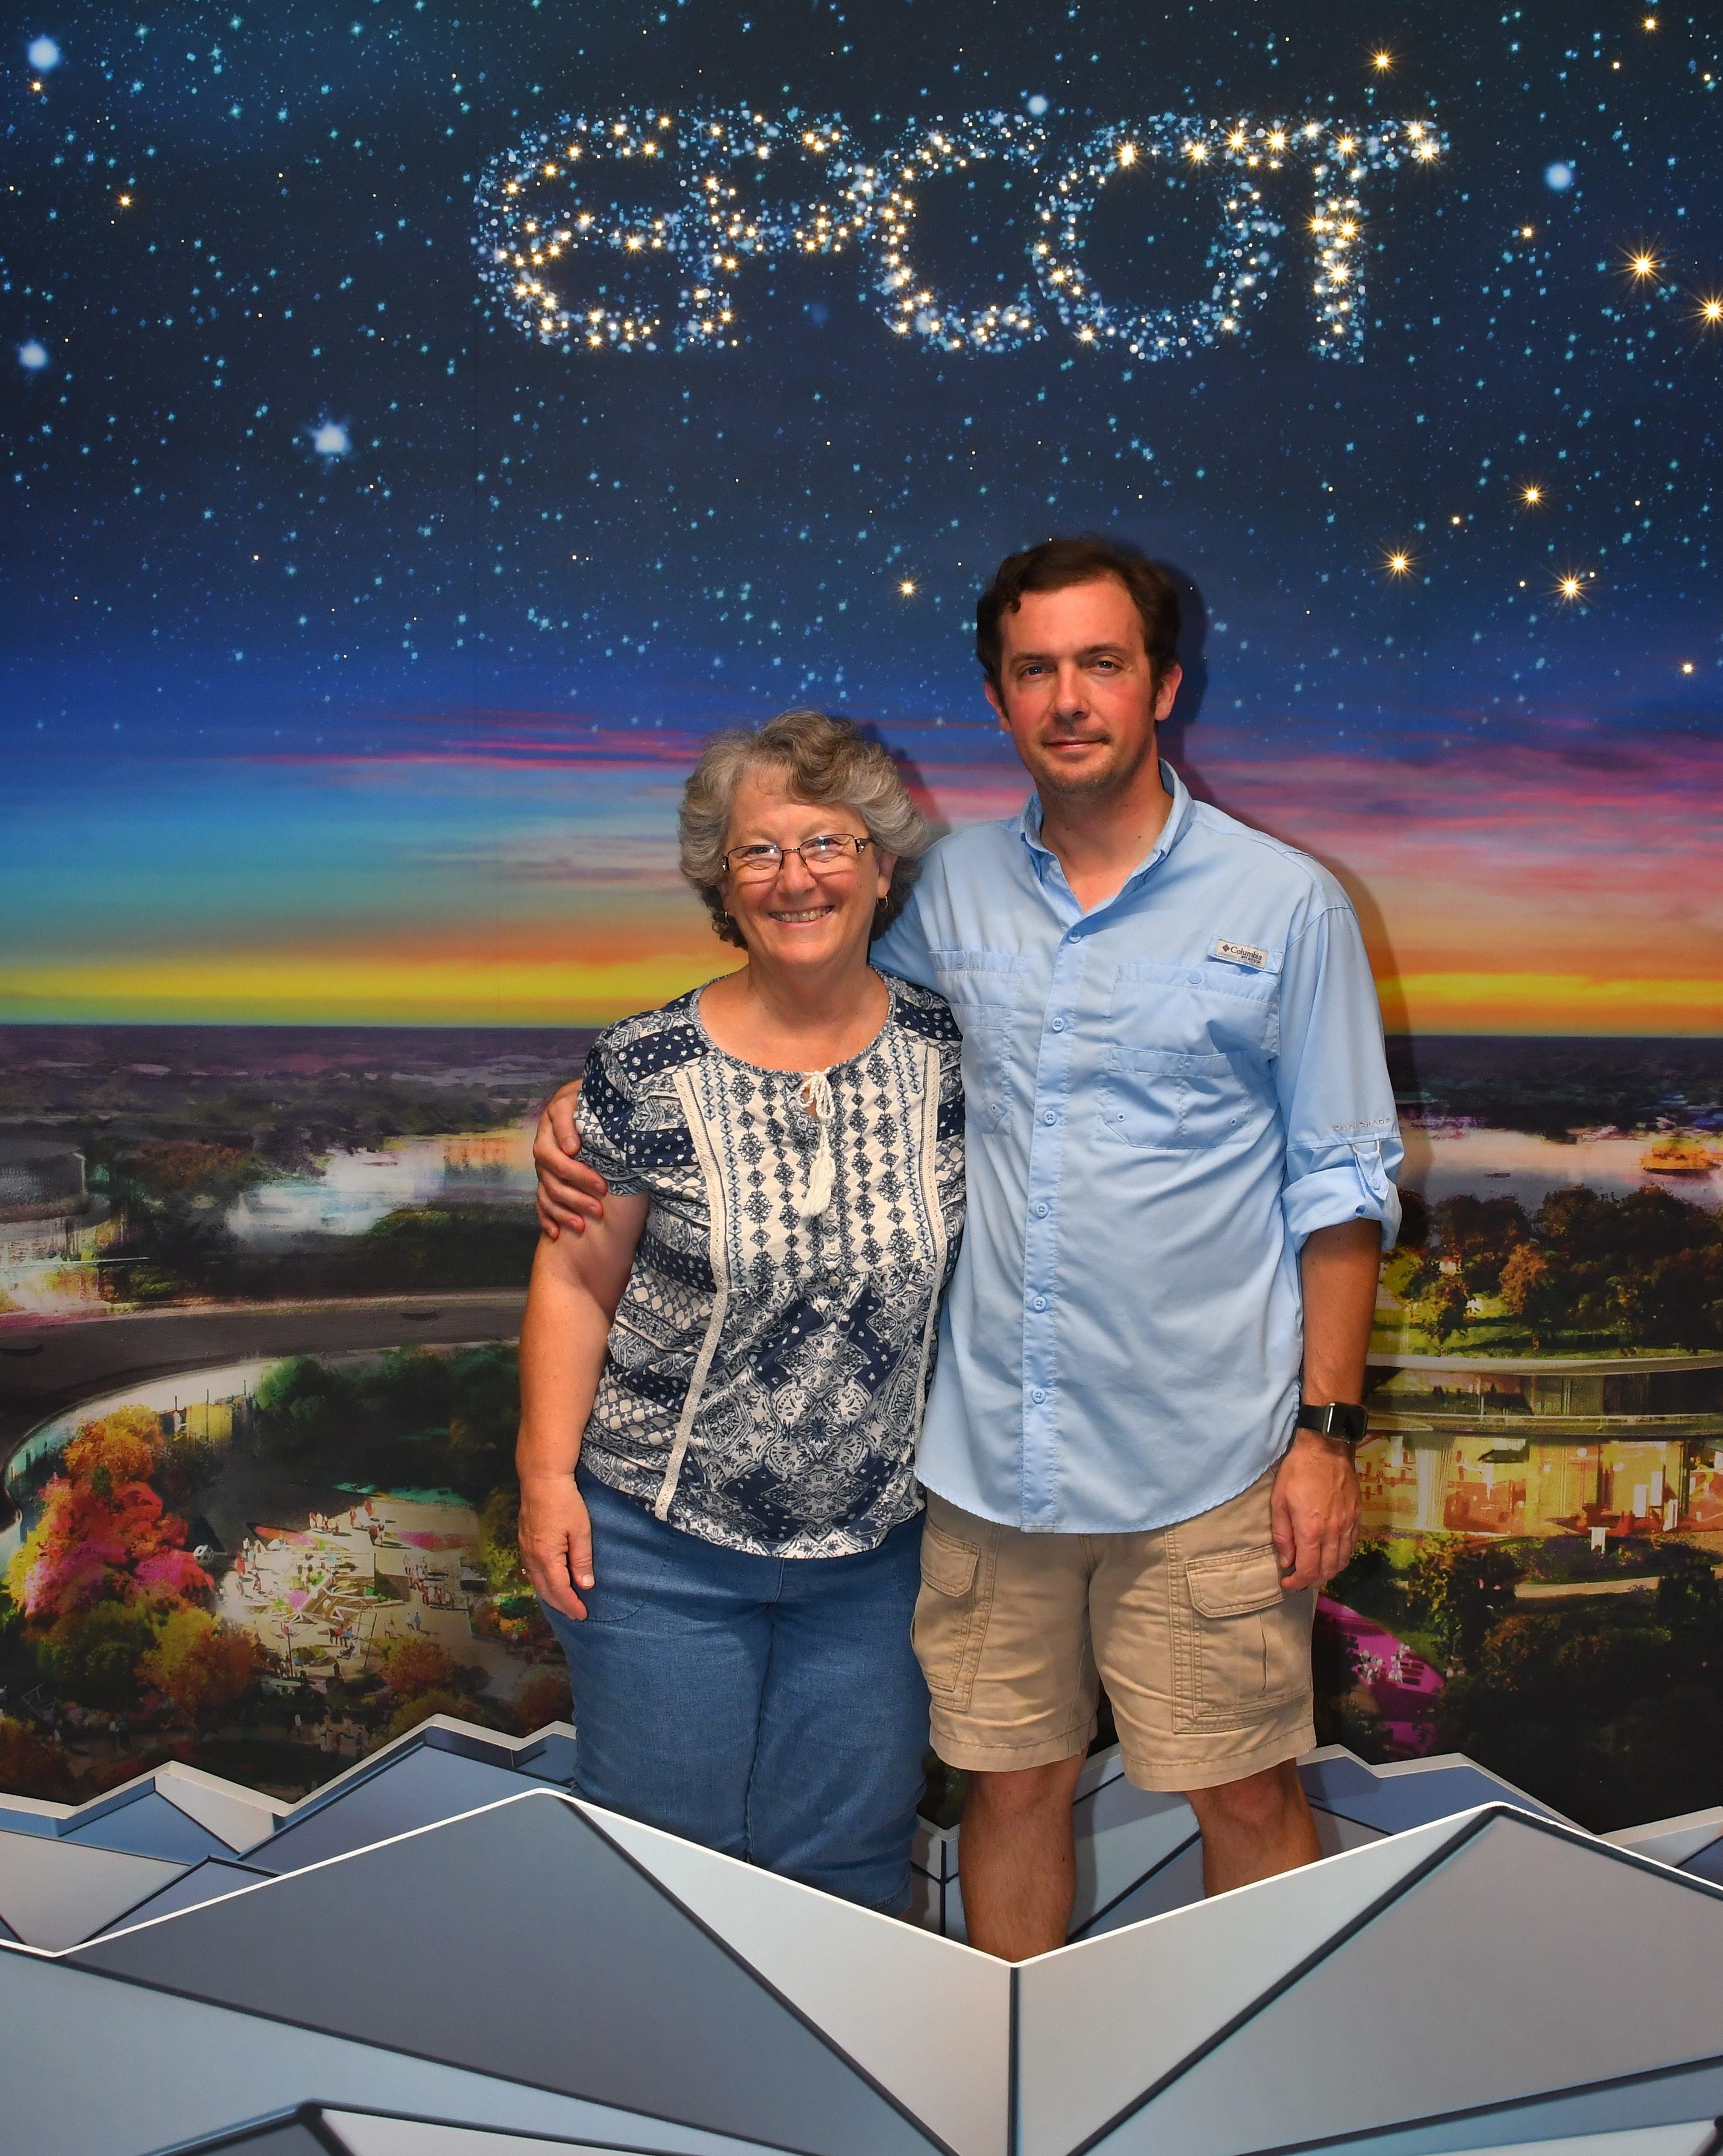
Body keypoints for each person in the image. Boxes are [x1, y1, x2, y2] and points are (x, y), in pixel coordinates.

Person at [537, 540, 1400, 1958]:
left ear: (1163, 685)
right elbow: (802, 1004)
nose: (1069, 698)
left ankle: (1259, 2060)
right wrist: (595, 1104)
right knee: (1011, 1790)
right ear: (999, 700)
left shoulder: (1285, 904)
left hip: (1209, 1458)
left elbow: (1341, 1190)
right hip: (989, 1464)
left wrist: (1325, 1433)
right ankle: (1021, 2075)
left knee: (1246, 1792)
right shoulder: (942, 893)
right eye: (1034, 670)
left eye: (1101, 663)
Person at [516, 710, 962, 1915]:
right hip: (656, 1546)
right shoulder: (643, 1065)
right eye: (757, 851)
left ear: (881, 866)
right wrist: (544, 1478)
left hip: (877, 1556)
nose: (793, 878)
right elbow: (573, 1278)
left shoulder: (954, 1056)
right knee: (666, 1880)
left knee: (848, 1877)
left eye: (826, 844)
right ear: (720, 880)